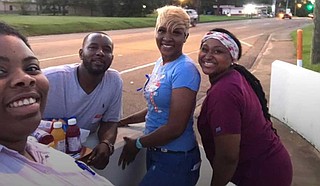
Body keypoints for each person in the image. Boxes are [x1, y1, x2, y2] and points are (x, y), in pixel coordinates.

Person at [0, 21, 114, 185]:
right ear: (81, 53)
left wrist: (106, 143)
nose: (26, 78)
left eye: (32, 67)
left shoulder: (35, 149)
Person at [197, 28, 293, 186]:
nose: (208, 56)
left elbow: (228, 157)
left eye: (218, 51)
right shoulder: (234, 77)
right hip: (271, 167)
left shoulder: (224, 92)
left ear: (232, 58)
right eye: (204, 49)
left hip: (262, 175)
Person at [117, 5, 201, 186]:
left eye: (176, 32)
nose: (167, 38)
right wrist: (123, 121)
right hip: (156, 151)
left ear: (186, 36)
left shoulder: (185, 69)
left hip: (176, 158)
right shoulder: (161, 63)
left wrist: (138, 143)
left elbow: (175, 127)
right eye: (162, 30)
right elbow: (156, 106)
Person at [42, 31, 122, 170]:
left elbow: (110, 121)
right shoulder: (50, 79)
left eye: (106, 50)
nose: (100, 53)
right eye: (93, 47)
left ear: (112, 58)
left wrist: (106, 144)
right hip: (43, 151)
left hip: (79, 151)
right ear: (81, 53)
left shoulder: (114, 81)